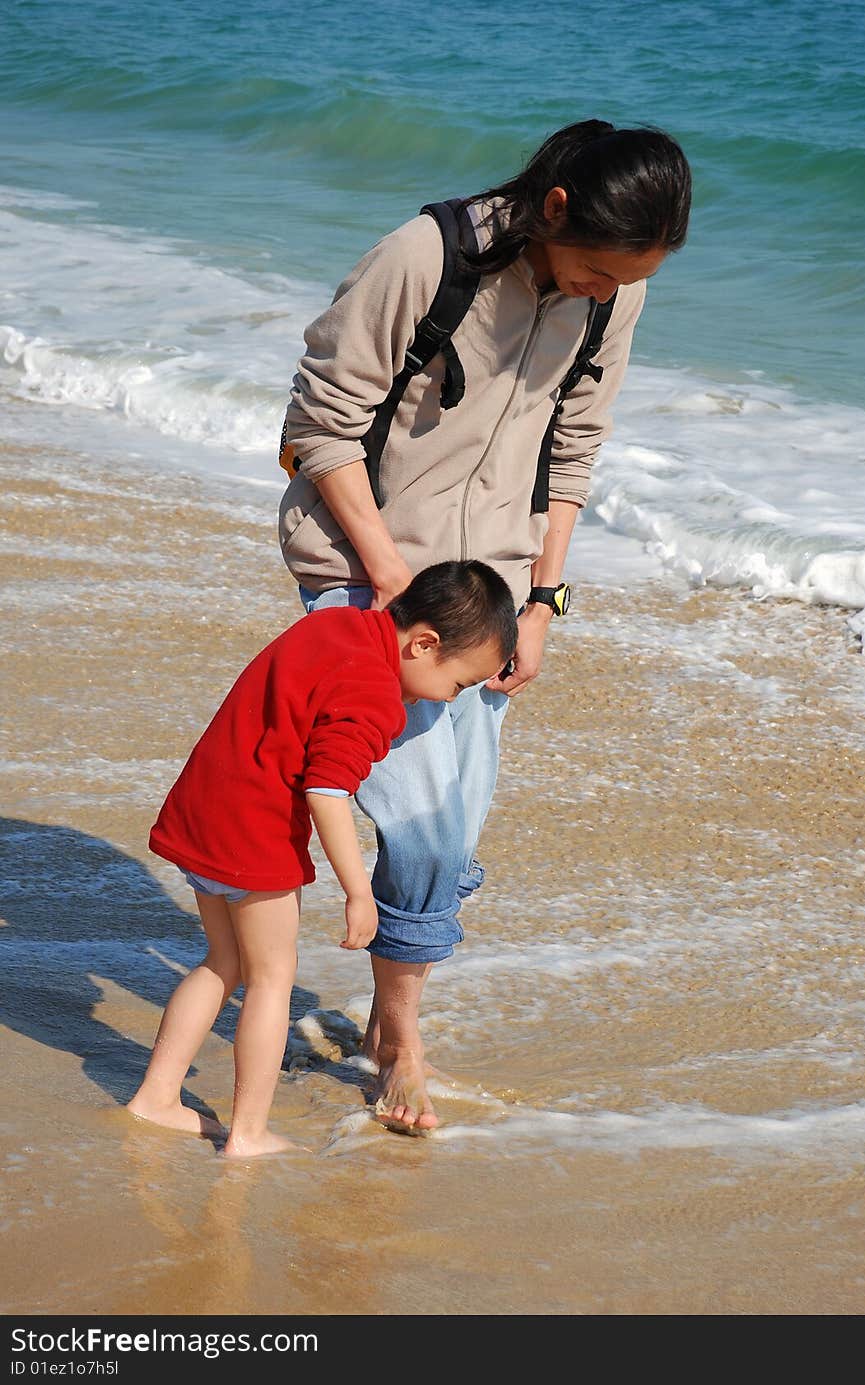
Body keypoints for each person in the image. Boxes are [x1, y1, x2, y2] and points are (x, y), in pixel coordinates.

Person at [277, 118, 692, 1132]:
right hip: (371, 577)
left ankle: (388, 1003)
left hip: (494, 596)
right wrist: (384, 574)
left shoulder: (613, 294)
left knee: (452, 828)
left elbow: (573, 446)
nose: (605, 291)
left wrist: (541, 603)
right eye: (594, 267)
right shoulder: (427, 258)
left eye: (625, 279)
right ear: (554, 207)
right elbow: (318, 426)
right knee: (417, 818)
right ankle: (401, 1036)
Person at [127, 560, 518, 1157]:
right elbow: (327, 790)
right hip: (254, 835)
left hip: (203, 806)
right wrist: (359, 892)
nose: (453, 698)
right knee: (272, 979)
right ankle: (248, 1133)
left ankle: (157, 1096)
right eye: (460, 684)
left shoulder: (333, 625)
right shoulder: (376, 697)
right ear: (424, 644)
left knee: (222, 960)